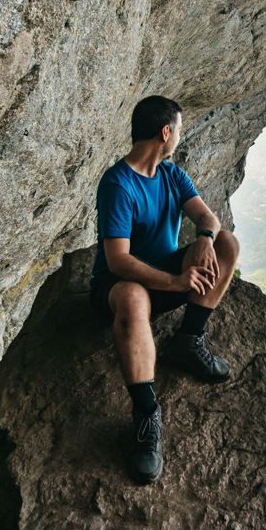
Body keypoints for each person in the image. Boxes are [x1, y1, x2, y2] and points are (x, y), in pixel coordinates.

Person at [88, 95, 240, 484]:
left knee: (227, 245)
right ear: (165, 132)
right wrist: (175, 281)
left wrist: (205, 237)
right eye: (179, 129)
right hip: (119, 287)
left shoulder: (172, 175)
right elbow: (119, 260)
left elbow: (207, 216)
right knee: (132, 295)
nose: (179, 137)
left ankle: (189, 339)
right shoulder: (117, 183)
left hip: (166, 275)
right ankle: (146, 415)